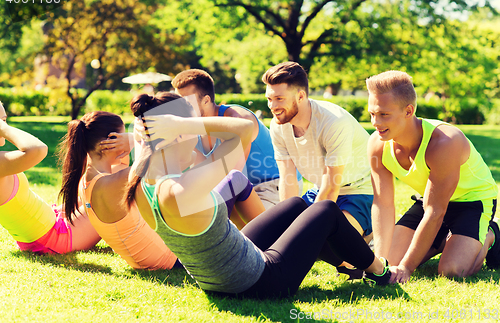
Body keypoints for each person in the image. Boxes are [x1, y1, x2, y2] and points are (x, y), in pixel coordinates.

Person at [125, 92, 392, 299]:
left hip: (218, 279)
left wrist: (152, 131)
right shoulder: (181, 190)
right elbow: (244, 130)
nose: (196, 141)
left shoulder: (139, 182)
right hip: (262, 281)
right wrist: (185, 123)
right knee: (325, 211)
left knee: (297, 204)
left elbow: (150, 151)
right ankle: (380, 272)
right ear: (177, 134)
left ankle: (348, 262)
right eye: (190, 134)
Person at [366, 70, 500, 283]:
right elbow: (382, 203)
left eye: (383, 114)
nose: (375, 122)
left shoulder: (444, 142)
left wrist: (407, 268)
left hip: (471, 202)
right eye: (372, 113)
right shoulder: (377, 144)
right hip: (430, 198)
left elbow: (435, 211)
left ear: (408, 111)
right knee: (391, 260)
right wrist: (381, 263)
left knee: (452, 270)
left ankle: (491, 233)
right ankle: (441, 240)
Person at [262, 62, 374, 245]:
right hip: (319, 189)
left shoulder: (334, 122)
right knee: (282, 232)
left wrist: (304, 232)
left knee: (331, 244)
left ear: (300, 96)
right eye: (269, 99)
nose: (272, 106)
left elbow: (331, 187)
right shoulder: (278, 125)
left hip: (359, 190)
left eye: (279, 98)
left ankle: (369, 235)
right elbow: (288, 179)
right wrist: (287, 223)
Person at [58, 111, 178, 270]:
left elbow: (124, 164)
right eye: (121, 136)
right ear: (110, 142)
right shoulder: (113, 183)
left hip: (150, 259)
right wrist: (134, 139)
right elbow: (162, 153)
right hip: (169, 260)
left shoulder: (87, 181)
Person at [171, 69, 302, 210]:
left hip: (272, 186)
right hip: (241, 189)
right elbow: (202, 171)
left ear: (206, 100)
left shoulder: (237, 119)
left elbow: (233, 176)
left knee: (217, 218)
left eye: (187, 103)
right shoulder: (193, 127)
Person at [0, 101, 101, 254]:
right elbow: (38, 149)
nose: (3, 126)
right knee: (111, 197)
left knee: (90, 191)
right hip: (54, 239)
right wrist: (4, 128)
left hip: (48, 228)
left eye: (4, 120)